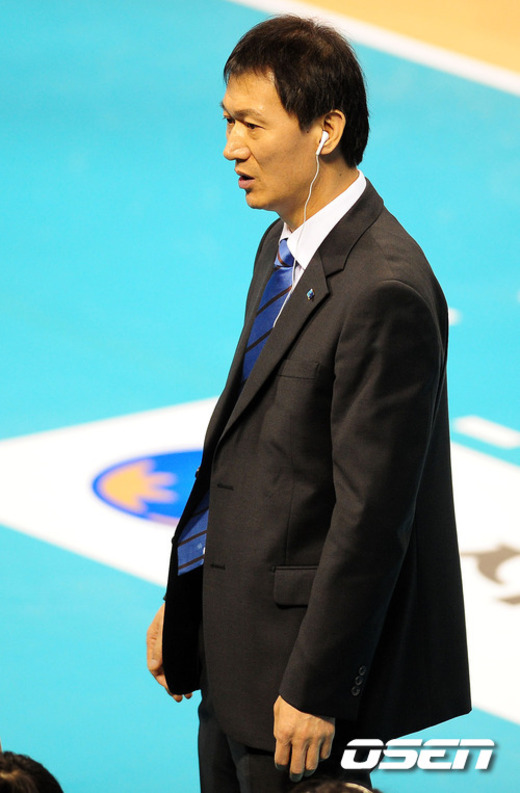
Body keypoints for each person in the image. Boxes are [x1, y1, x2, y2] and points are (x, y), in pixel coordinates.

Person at [147, 14, 471, 793]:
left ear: (326, 130)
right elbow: (251, 454)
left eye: (251, 124)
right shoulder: (283, 244)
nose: (231, 147)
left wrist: (319, 686)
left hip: (299, 699)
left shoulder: (385, 289)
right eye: (228, 121)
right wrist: (190, 601)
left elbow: (372, 519)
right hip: (234, 663)